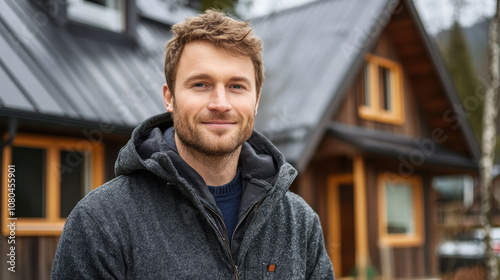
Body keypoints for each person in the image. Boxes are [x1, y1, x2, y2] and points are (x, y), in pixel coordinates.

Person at [51, 10, 335, 279]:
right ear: (169, 97)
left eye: (237, 86)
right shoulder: (101, 223)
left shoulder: (300, 224)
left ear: (257, 99)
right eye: (201, 84)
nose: (220, 104)